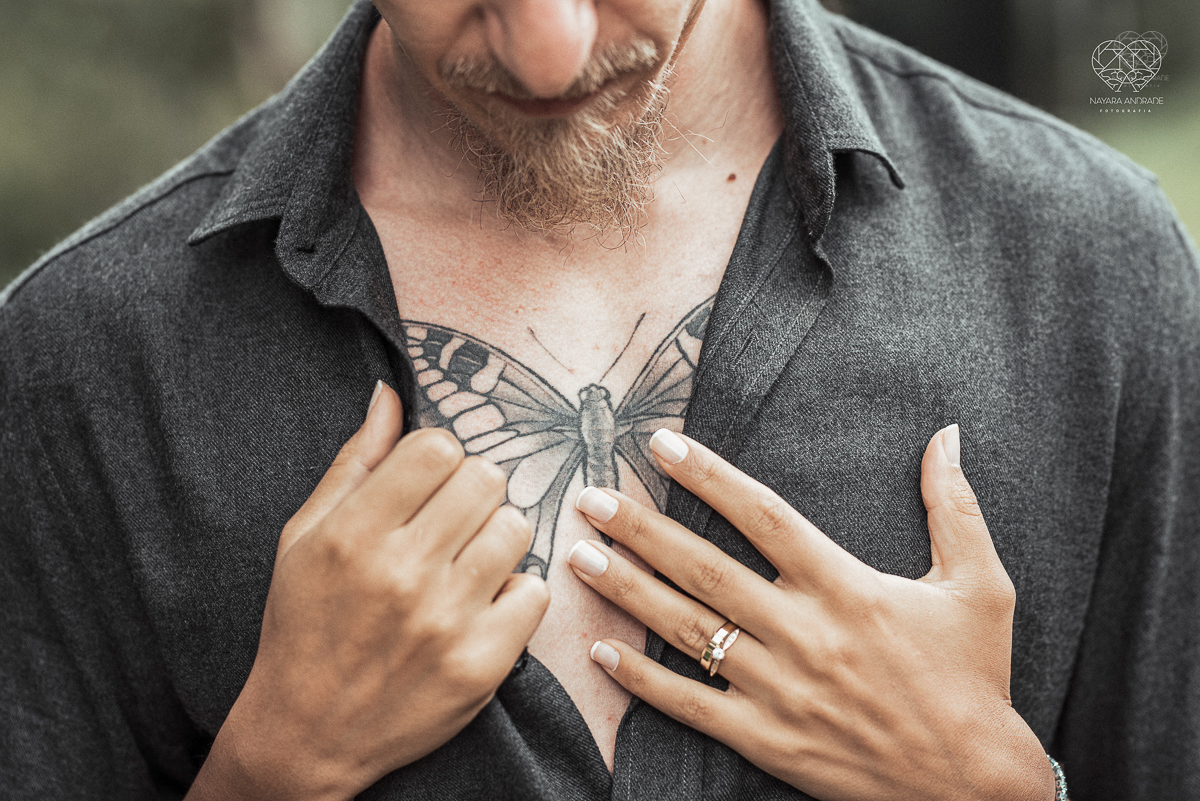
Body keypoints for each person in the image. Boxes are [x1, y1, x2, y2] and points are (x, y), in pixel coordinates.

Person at [1, 0, 1197, 797]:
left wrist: (993, 784)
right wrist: (265, 775)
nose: (547, 51)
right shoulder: (82, 358)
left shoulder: (1088, 263)